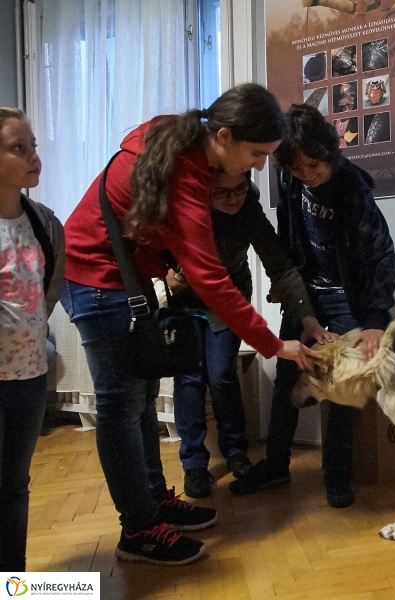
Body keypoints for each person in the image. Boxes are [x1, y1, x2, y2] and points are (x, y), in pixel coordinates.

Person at [61, 84, 321, 566]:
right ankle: (138, 530)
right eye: (257, 153)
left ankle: (153, 504)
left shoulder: (177, 140)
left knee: (138, 401)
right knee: (121, 406)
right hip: (95, 278)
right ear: (223, 136)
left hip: (117, 277)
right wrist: (273, 345)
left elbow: (144, 224)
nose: (260, 166)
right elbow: (210, 278)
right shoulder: (184, 172)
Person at [229, 104, 395, 508]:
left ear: (331, 150)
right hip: (305, 294)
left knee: (339, 386)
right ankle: (275, 464)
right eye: (297, 167)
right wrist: (295, 298)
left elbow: (382, 257)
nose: (308, 173)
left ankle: (337, 473)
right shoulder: (290, 179)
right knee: (289, 375)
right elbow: (288, 240)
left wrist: (375, 319)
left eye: (314, 164)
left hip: (346, 299)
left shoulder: (353, 191)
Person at [166, 170, 326, 499]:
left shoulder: (249, 208)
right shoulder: (181, 202)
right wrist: (164, 274)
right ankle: (194, 464)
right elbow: (150, 246)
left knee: (223, 373)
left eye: (240, 189)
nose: (234, 198)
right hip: (182, 301)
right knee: (189, 378)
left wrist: (306, 316)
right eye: (224, 193)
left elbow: (279, 266)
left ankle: (236, 452)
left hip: (228, 296)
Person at [0, 107, 65, 571]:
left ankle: (13, 581)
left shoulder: (45, 222)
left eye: (34, 146)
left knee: (14, 484)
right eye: (18, 148)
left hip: (27, 377)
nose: (33, 157)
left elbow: (51, 289)